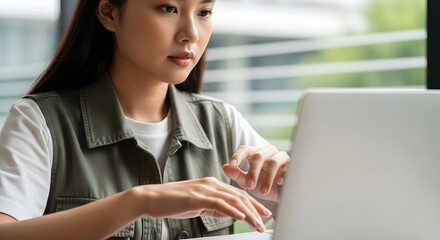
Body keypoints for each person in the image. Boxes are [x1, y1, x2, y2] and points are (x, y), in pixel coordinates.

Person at [0, 0, 290, 239]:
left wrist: (287, 190)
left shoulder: (223, 122)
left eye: (204, 12)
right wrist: (139, 202)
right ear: (109, 13)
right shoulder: (39, 121)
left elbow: (318, 220)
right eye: (167, 8)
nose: (191, 34)